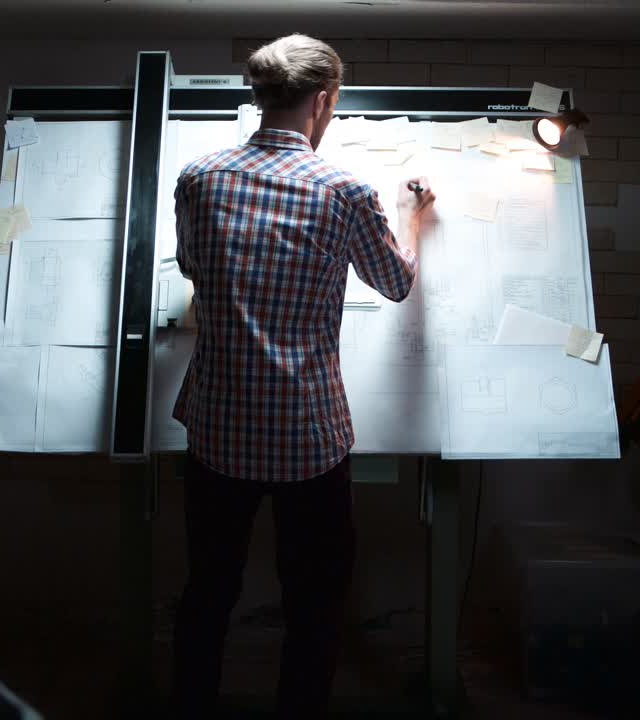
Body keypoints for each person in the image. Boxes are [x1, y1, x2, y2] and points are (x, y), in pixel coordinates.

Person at [170, 33, 436, 718]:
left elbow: (194, 269)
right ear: (323, 101)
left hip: (218, 431)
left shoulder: (200, 178)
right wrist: (412, 220)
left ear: (260, 95)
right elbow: (396, 283)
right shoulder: (343, 190)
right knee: (313, 605)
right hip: (307, 439)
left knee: (208, 591)